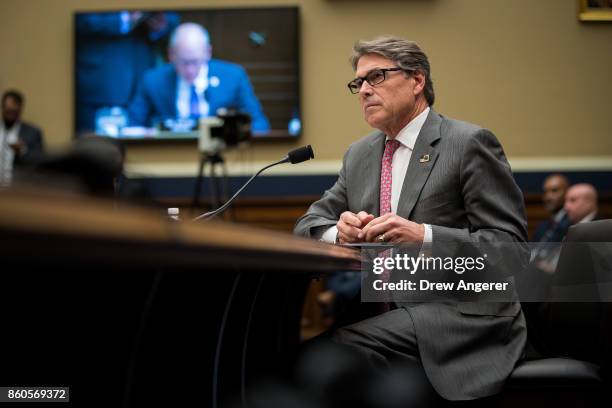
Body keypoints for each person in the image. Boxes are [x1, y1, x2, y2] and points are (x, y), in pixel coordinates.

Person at [294, 37, 528, 402]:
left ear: (417, 81)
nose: (365, 90)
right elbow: (308, 224)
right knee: (291, 354)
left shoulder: (468, 143)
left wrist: (426, 236)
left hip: (460, 316)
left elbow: (511, 251)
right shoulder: (360, 155)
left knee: (333, 355)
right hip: (379, 312)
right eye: (359, 83)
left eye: (377, 77)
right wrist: (337, 233)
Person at [128, 23, 270, 133]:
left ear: (208, 53)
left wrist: (230, 131)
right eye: (183, 62)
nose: (190, 70)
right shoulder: (153, 80)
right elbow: (132, 126)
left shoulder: (233, 77)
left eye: (195, 62)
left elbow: (259, 124)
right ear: (171, 55)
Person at [75, 11, 180, 132]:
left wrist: (162, 24)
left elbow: (173, 16)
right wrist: (124, 18)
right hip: (100, 82)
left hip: (142, 71)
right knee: (96, 145)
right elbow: (75, 16)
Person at [0, 90, 44, 187]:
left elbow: (40, 162)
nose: (10, 114)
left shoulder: (33, 133)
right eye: (8, 111)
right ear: (2, 108)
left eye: (13, 112)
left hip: (19, 190)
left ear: (20, 109)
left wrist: (22, 150)